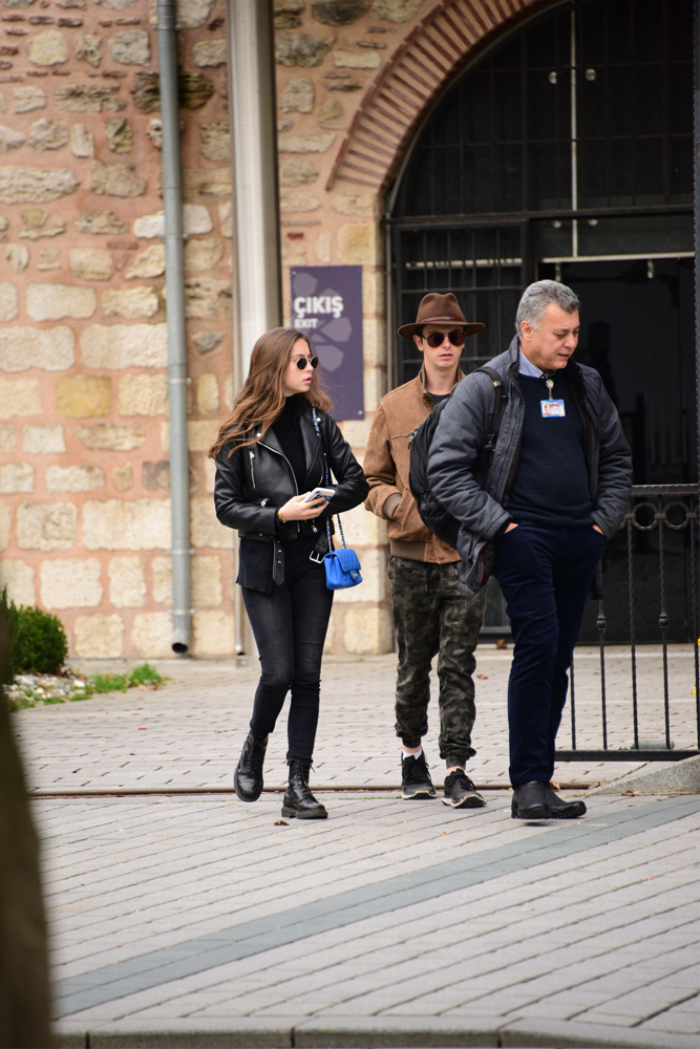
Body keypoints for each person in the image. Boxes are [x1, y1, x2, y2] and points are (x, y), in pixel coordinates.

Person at [427, 281, 632, 820]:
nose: (570, 343)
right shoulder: (487, 386)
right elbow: (444, 471)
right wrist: (503, 527)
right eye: (561, 333)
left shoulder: (585, 383)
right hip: (523, 540)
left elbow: (616, 457)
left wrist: (600, 526)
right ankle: (529, 784)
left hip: (578, 539)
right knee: (538, 649)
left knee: (557, 659)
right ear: (527, 330)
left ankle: (538, 778)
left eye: (575, 333)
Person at [210, 327, 368, 820]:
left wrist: (319, 502)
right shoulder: (241, 434)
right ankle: (256, 742)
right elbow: (225, 507)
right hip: (265, 565)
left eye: (312, 361)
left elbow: (357, 483)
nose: (310, 369)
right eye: (300, 362)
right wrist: (279, 515)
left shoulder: (320, 423)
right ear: (274, 367)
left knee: (308, 676)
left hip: (313, 563)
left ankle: (298, 784)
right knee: (277, 672)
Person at [364, 292, 488, 809]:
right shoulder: (393, 406)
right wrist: (401, 509)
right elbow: (369, 479)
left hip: (464, 555)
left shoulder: (483, 399)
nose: (445, 346)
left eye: (454, 337)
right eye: (434, 336)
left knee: (458, 664)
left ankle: (457, 768)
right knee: (414, 664)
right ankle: (411, 756)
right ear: (418, 341)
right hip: (411, 560)